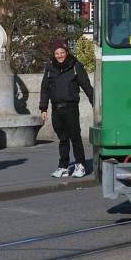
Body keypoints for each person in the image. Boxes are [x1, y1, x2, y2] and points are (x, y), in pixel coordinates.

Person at [39, 39, 95, 178]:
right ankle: (63, 166)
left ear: (67, 52)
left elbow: (87, 86)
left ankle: (80, 164)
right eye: (57, 53)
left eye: (62, 52)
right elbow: (45, 89)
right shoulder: (50, 68)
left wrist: (95, 103)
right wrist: (43, 108)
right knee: (62, 139)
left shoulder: (76, 66)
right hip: (56, 108)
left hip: (71, 107)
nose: (59, 56)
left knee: (75, 136)